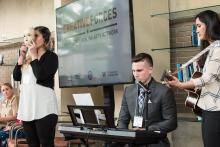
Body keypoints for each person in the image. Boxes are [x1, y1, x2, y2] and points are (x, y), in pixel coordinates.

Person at [167, 10, 220, 147]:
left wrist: (181, 85)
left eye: (198, 26)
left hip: (215, 109)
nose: (196, 30)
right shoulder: (212, 47)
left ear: (210, 25)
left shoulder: (218, 47)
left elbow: (207, 79)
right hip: (210, 108)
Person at [116, 53, 177, 147]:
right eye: (133, 71)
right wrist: (125, 138)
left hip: (155, 142)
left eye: (139, 70)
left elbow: (171, 122)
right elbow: (122, 120)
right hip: (133, 142)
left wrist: (147, 129)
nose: (135, 74)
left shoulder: (164, 91)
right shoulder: (128, 91)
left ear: (150, 70)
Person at [13, 26, 58, 147]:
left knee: (46, 143)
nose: (31, 38)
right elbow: (16, 76)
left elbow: (41, 75)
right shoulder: (27, 59)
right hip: (27, 108)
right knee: (32, 144)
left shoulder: (51, 57)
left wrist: (33, 55)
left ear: (44, 39)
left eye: (36, 35)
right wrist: (22, 56)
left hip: (45, 109)